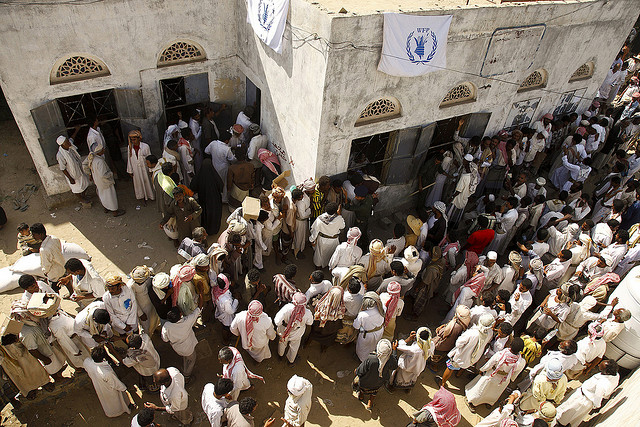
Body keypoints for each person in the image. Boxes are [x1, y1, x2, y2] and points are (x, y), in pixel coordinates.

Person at [555, 360, 619, 427]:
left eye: (601, 367)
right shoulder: (615, 375)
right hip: (584, 397)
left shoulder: (602, 384)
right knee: (571, 416)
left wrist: (596, 405)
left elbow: (598, 397)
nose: (598, 365)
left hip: (582, 400)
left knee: (564, 415)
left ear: (606, 372)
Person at [465, 338, 526, 407]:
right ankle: (489, 402)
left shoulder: (500, 355)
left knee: (482, 389)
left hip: (492, 375)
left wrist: (482, 370)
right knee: (495, 391)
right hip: (504, 379)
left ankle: (473, 402)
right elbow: (515, 374)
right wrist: (511, 378)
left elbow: (490, 364)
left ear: (510, 345)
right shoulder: (521, 362)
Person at [440, 313, 494, 389]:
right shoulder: (490, 333)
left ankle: (442, 383)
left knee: (450, 367)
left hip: (461, 355)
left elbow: (459, 343)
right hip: (473, 357)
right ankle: (459, 374)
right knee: (466, 364)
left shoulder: (472, 333)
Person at [161, 296, 203, 381]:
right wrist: (201, 293)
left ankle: (185, 366)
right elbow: (199, 308)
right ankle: (186, 376)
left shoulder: (166, 326)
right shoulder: (187, 321)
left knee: (185, 357)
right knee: (191, 359)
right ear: (180, 315)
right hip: (188, 348)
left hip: (177, 348)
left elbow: (165, 339)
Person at [83, 346, 132, 419]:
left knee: (105, 400)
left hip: (98, 385)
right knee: (116, 400)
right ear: (103, 358)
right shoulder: (106, 372)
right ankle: (119, 411)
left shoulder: (87, 362)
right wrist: (124, 388)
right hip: (109, 388)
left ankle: (110, 412)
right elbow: (115, 384)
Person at [0, 332, 52, 400]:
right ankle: (29, 390)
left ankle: (44, 382)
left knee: (28, 362)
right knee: (15, 370)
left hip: (9, 340)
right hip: (3, 351)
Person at [86, 130, 125, 217]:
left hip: (98, 181)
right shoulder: (100, 161)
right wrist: (111, 174)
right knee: (110, 196)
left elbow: (85, 166)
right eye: (102, 149)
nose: (104, 150)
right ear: (99, 152)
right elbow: (104, 174)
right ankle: (115, 211)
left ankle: (106, 208)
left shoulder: (92, 158)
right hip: (105, 182)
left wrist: (90, 174)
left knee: (102, 195)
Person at [353, 339, 398, 410]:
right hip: (379, 382)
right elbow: (395, 366)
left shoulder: (371, 359)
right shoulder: (390, 359)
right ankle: (370, 403)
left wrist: (356, 371)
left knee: (361, 387)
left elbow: (360, 371)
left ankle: (361, 396)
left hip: (365, 382)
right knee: (374, 391)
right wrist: (394, 350)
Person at [275, 292, 313, 365]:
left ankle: (280, 356)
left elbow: (277, 321)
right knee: (294, 347)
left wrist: (283, 325)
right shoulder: (307, 312)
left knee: (282, 342)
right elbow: (310, 323)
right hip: (297, 332)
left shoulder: (287, 308)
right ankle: (291, 361)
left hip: (284, 330)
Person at [307, 285, 345, 351]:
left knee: (312, 335)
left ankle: (306, 344)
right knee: (328, 340)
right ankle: (323, 348)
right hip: (330, 331)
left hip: (318, 329)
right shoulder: (341, 309)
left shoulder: (321, 305)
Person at [56, 134, 91, 204]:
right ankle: (80, 198)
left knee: (86, 183)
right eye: (67, 142)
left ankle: (83, 195)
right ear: (62, 145)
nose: (69, 142)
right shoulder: (60, 155)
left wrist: (76, 130)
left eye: (67, 141)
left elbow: (72, 138)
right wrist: (70, 178)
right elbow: (63, 168)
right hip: (72, 174)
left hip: (79, 170)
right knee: (76, 189)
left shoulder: (69, 147)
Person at [309, 202, 345, 269]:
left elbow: (315, 231)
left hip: (322, 240)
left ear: (326, 210)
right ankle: (330, 266)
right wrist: (340, 215)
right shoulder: (339, 218)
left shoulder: (320, 219)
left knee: (319, 255)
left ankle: (318, 267)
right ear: (336, 211)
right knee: (331, 254)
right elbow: (342, 226)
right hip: (334, 241)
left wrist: (312, 240)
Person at [353, 292, 385, 361]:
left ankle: (363, 360)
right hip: (379, 331)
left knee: (363, 349)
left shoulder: (363, 314)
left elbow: (356, 326)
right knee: (374, 346)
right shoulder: (382, 308)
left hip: (367, 335)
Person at [128, 266, 160, 335]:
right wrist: (140, 313)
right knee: (146, 326)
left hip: (152, 303)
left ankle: (154, 329)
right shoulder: (131, 286)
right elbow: (133, 301)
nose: (140, 284)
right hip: (143, 308)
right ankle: (148, 337)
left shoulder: (148, 275)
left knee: (154, 319)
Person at [205, 134, 236, 203]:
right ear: (226, 140)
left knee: (214, 182)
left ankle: (214, 196)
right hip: (224, 168)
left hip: (214, 166)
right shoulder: (226, 149)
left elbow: (206, 151)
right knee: (224, 183)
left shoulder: (213, 143)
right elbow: (232, 159)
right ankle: (224, 199)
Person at [126, 130, 154, 204]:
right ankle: (141, 198)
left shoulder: (145, 146)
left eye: (134, 139)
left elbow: (149, 158)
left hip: (145, 168)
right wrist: (130, 170)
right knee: (138, 184)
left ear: (139, 138)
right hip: (136, 170)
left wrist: (151, 170)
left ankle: (150, 196)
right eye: (132, 140)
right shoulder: (130, 147)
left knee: (147, 182)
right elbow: (129, 159)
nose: (133, 141)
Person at [213, 273, 239, 341]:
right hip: (226, 316)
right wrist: (236, 300)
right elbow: (230, 311)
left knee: (225, 326)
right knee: (226, 327)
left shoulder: (216, 289)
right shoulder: (226, 300)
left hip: (221, 310)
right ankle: (225, 340)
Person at [293, 185, 312, 259]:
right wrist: (309, 210)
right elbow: (303, 216)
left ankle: (301, 249)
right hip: (300, 222)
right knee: (299, 237)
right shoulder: (300, 203)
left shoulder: (304, 195)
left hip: (303, 222)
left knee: (302, 236)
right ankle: (297, 252)